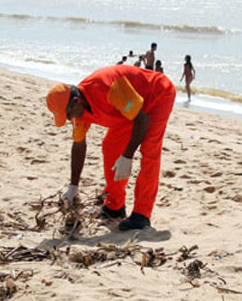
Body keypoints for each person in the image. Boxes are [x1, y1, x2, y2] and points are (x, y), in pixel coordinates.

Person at [46, 65, 176, 230]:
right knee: (110, 146)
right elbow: (79, 144)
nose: (69, 119)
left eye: (68, 115)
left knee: (149, 151)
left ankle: (142, 214)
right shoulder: (80, 111)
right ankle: (115, 206)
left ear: (76, 101)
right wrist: (73, 186)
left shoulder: (108, 88)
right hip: (128, 109)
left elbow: (142, 119)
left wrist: (127, 156)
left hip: (157, 94)